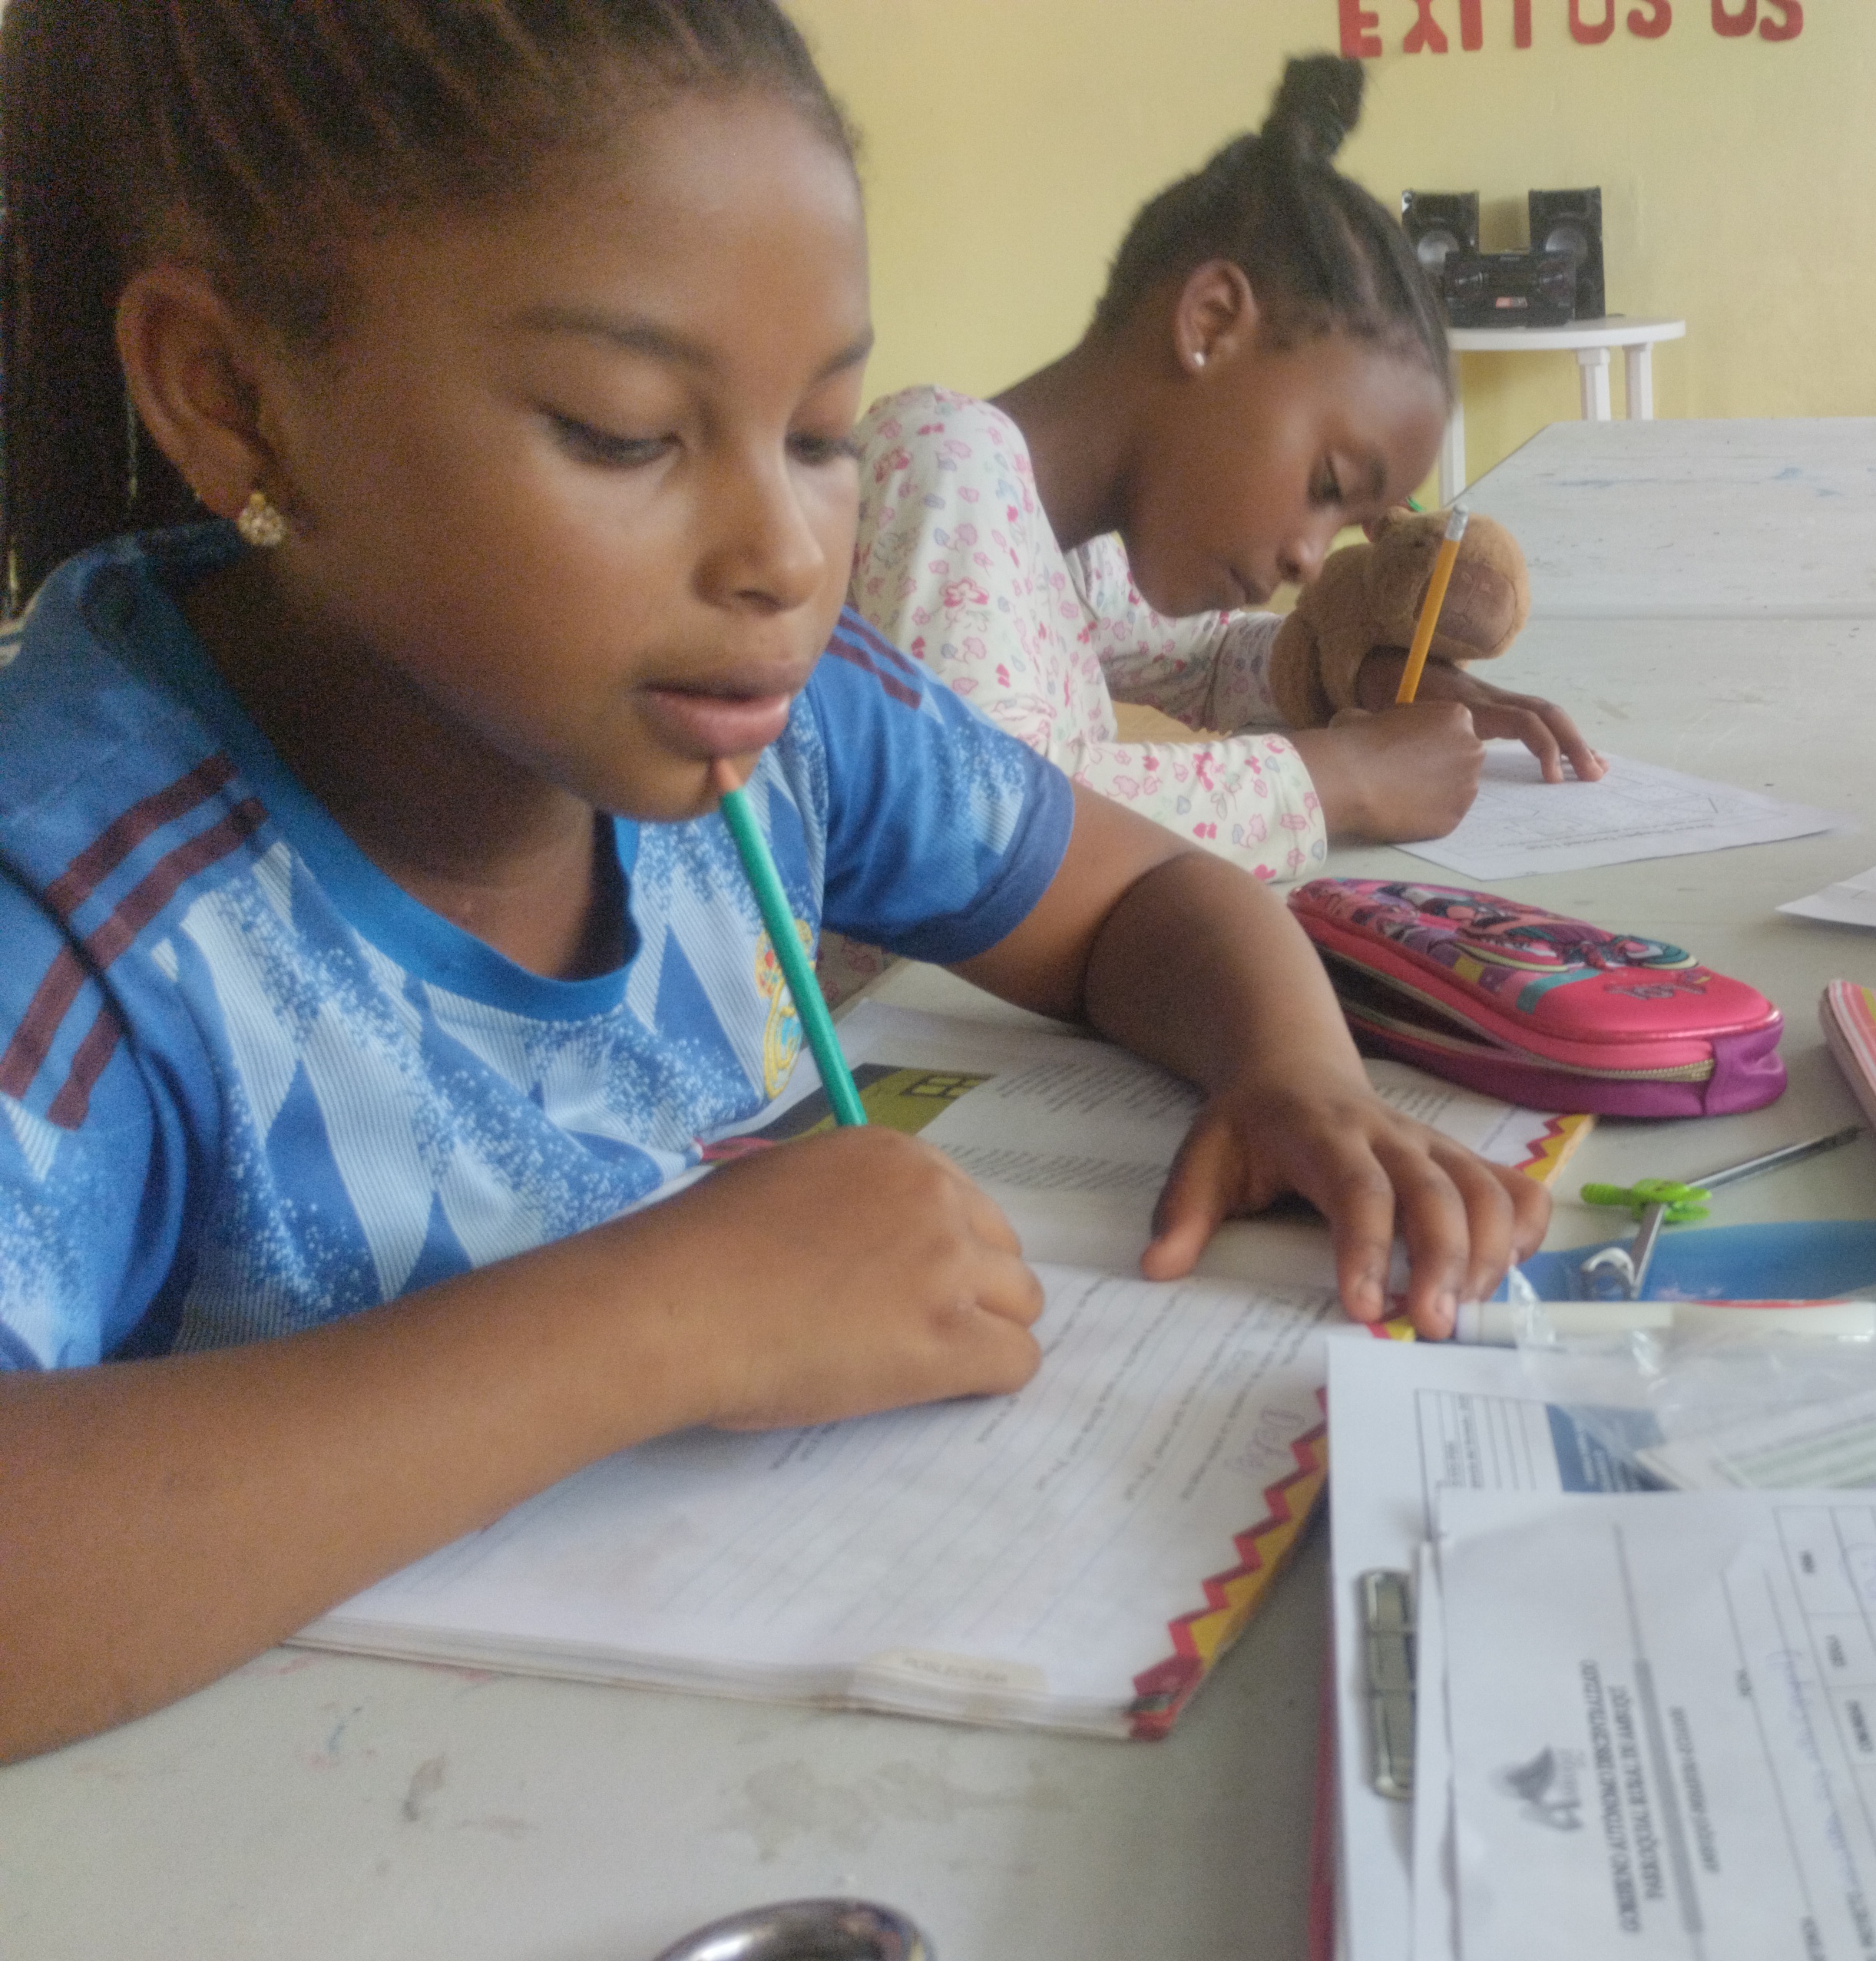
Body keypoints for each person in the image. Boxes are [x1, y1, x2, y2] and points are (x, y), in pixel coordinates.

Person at [0, 0, 1547, 1764]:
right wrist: (671, 1318)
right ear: (232, 396)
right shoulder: (82, 910)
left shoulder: (785, 726)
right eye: (623, 432)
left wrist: (1295, 1075)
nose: (787, 554)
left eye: (818, 433)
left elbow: (1140, 895)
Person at [846, 56, 1605, 883]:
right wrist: (1341, 778)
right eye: (1326, 487)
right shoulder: (946, 457)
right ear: (1210, 325)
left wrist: (1369, 677)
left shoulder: (1071, 549)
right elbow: (980, 819)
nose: (1310, 560)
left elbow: (1204, 663)